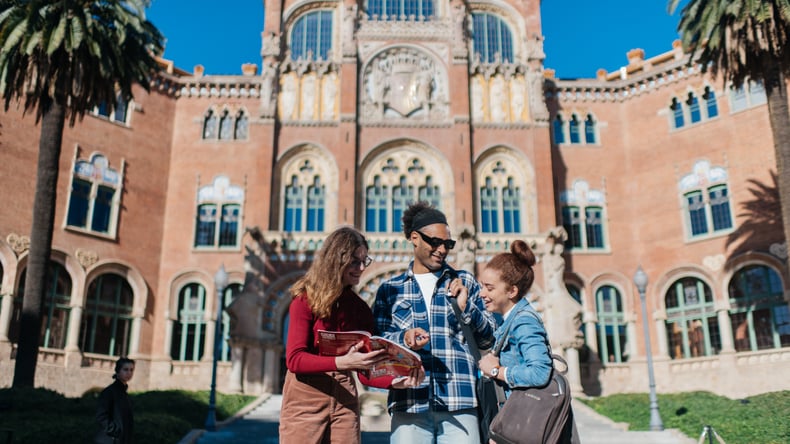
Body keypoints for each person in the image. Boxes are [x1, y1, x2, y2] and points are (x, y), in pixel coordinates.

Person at [280, 226, 423, 444]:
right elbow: (294, 360)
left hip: (345, 398)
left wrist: (397, 381)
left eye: (364, 261)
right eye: (354, 261)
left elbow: (365, 371)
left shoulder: (360, 309)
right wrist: (342, 361)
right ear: (336, 259)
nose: (361, 268)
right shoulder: (304, 300)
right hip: (305, 397)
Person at [373, 201, 497, 443]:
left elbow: (490, 337)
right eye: (435, 242)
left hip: (460, 402)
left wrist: (466, 308)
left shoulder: (465, 282)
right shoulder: (390, 290)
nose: (442, 249)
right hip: (409, 402)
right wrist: (404, 339)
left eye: (448, 244)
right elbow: (377, 344)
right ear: (414, 238)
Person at [476, 240, 577, 443]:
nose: (482, 294)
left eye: (489, 288)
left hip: (523, 421)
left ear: (512, 291)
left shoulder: (523, 322)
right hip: (517, 418)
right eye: (481, 286)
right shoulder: (512, 320)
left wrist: (497, 371)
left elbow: (540, 372)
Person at [95, 357, 135, 444]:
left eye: (131, 370)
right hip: (109, 440)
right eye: (125, 369)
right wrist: (115, 431)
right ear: (118, 371)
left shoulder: (125, 394)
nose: (129, 373)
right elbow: (101, 416)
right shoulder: (109, 392)